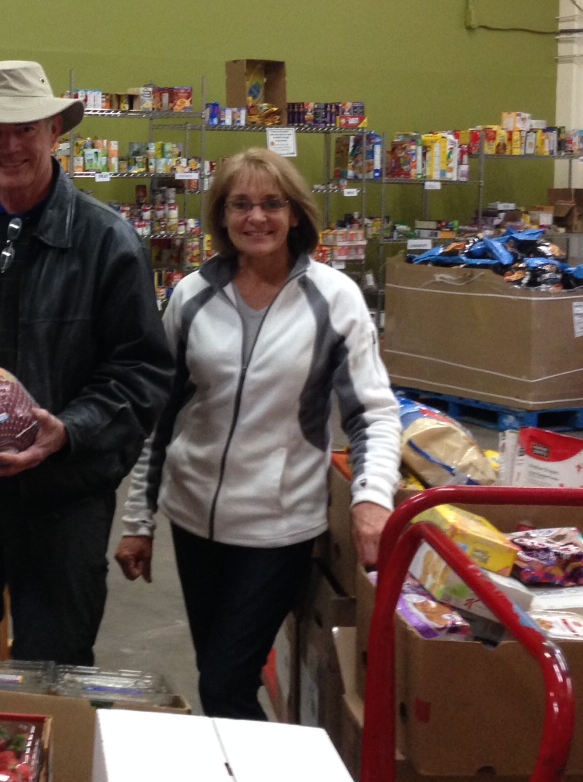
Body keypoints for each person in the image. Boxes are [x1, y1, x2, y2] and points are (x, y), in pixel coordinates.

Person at [0, 60, 172, 666]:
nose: (10, 144)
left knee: (53, 667)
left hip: (62, 498)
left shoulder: (107, 242)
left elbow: (142, 372)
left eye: (25, 127)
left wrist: (68, 431)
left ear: (54, 130)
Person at [114, 147, 402, 719]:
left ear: (295, 213)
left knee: (224, 683)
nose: (256, 218)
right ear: (222, 216)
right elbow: (161, 418)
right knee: (221, 680)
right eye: (240, 204)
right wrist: (138, 522)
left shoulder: (333, 299)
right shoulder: (192, 297)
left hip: (279, 530)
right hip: (195, 523)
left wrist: (372, 501)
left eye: (272, 204)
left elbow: (373, 413)